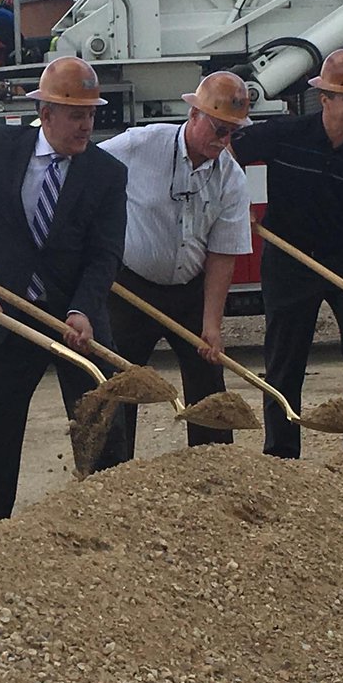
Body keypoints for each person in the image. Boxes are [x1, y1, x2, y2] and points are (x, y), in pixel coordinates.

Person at [0, 56, 128, 527]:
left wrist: (84, 309)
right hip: (2, 314)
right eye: (76, 114)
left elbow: (105, 254)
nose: (86, 124)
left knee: (103, 419)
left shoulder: (107, 174)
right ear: (45, 113)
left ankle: (107, 522)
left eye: (91, 114)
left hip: (76, 317)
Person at [231, 48, 343, 459]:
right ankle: (282, 454)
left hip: (341, 257)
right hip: (288, 258)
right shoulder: (287, 134)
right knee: (285, 358)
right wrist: (236, 202)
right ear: (324, 99)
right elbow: (229, 149)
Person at [98, 71, 253, 453]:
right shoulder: (140, 144)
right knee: (118, 383)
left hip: (191, 291)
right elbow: (87, 171)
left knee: (208, 384)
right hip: (130, 287)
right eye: (218, 128)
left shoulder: (231, 179)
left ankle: (212, 466)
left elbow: (223, 254)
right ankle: (109, 475)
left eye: (231, 132)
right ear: (194, 114)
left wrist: (212, 324)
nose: (223, 140)